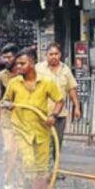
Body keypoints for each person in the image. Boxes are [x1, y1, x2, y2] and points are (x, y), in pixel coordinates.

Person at [0, 48, 63, 189]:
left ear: (33, 63)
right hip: (21, 130)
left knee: (42, 168)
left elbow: (59, 101)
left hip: (41, 130)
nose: (19, 66)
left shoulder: (47, 83)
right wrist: (7, 104)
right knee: (29, 164)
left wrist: (53, 116)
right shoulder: (14, 83)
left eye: (23, 63)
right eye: (17, 64)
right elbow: (6, 100)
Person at [36, 43, 81, 179]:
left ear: (60, 55)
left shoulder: (65, 70)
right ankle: (42, 170)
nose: (54, 57)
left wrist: (77, 107)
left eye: (56, 54)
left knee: (56, 143)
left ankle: (54, 170)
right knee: (44, 143)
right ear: (46, 55)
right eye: (51, 54)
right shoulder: (38, 68)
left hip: (59, 115)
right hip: (41, 114)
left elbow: (71, 89)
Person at [0, 43, 26, 189]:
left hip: (23, 119)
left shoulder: (24, 74)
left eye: (9, 57)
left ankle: (20, 184)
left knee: (21, 152)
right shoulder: (3, 75)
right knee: (9, 150)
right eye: (4, 57)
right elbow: (0, 92)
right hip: (7, 118)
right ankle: (8, 183)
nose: (6, 60)